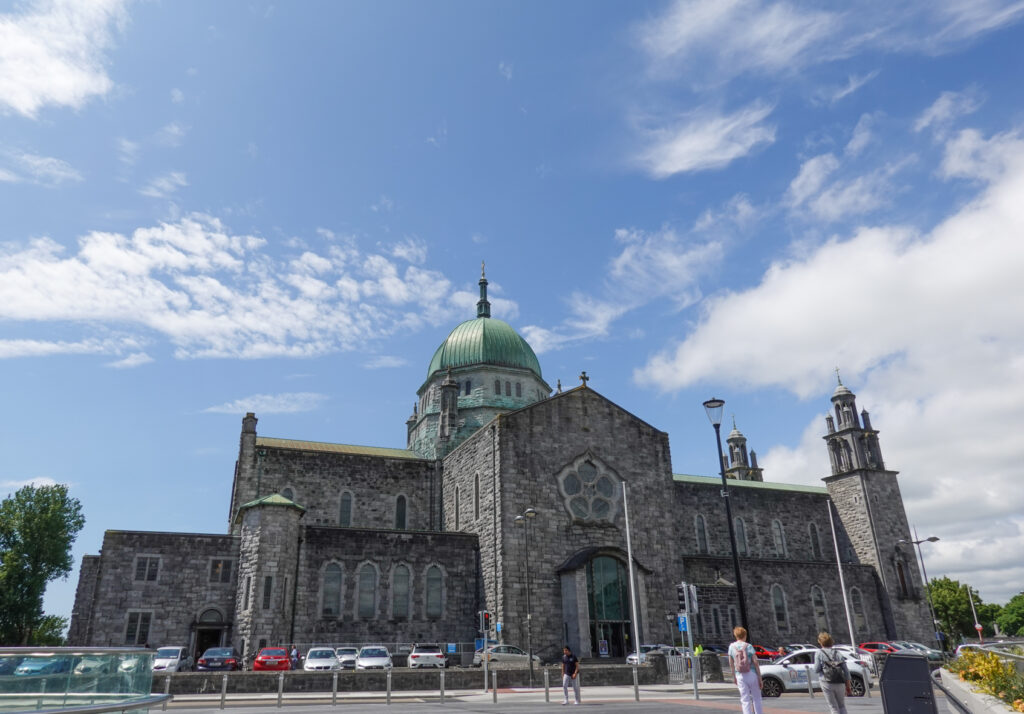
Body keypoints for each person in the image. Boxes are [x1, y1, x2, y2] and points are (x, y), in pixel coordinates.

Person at [728, 626, 764, 714]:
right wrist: (760, 678)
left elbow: (731, 663)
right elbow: (755, 662)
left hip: (740, 675)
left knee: (745, 699)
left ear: (735, 635)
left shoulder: (731, 647)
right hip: (751, 673)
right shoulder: (749, 646)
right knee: (757, 698)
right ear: (745, 635)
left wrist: (734, 677)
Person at [814, 632, 852, 714]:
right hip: (840, 681)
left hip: (826, 682)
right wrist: (848, 685)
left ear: (820, 642)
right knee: (842, 706)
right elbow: (846, 670)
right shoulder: (837, 653)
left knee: (833, 707)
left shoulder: (819, 653)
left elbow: (816, 669)